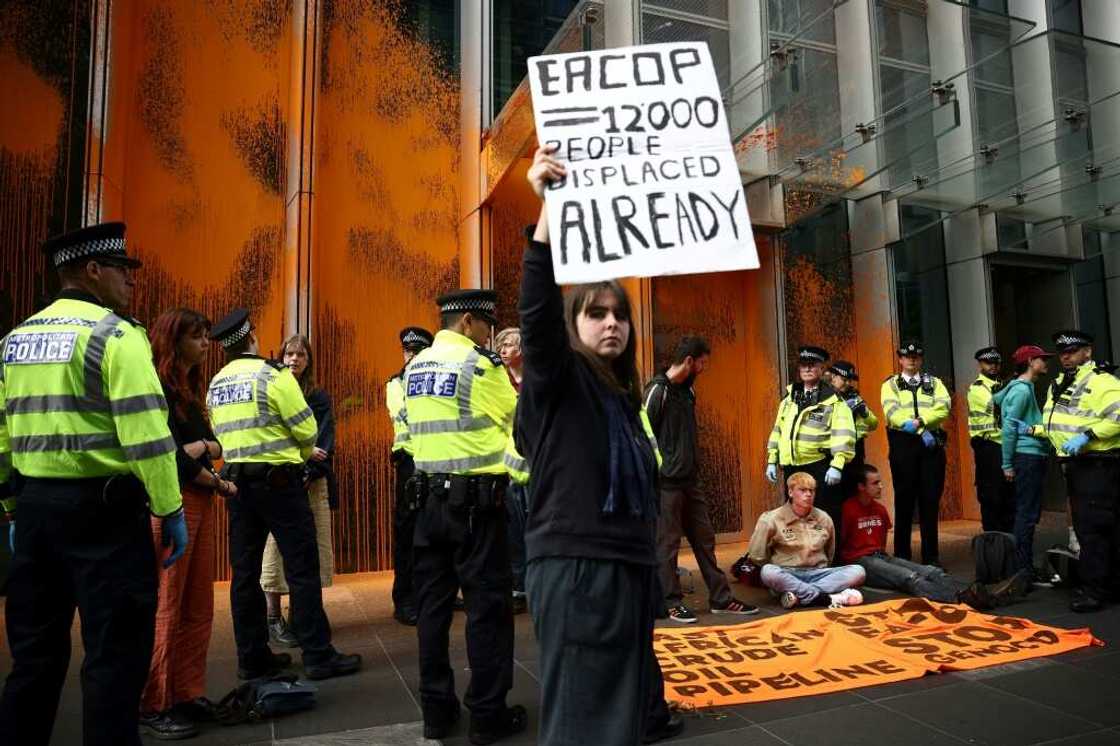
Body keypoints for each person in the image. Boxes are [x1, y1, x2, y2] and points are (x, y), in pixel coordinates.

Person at [0, 222, 187, 746]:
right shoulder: (116, 336)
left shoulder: (14, 342)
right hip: (104, 517)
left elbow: (1, 435)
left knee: (33, 660)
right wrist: (169, 509)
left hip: (35, 514)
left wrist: (14, 505)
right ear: (93, 271)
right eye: (123, 271)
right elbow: (148, 437)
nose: (130, 282)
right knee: (114, 659)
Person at [520, 145, 682, 746]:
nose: (611, 323)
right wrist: (544, 216)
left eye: (620, 314)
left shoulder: (622, 393)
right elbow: (536, 319)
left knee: (620, 719)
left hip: (626, 567)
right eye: (595, 314)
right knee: (585, 721)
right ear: (574, 325)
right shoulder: (560, 379)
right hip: (578, 567)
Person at [207, 308, 360, 680]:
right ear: (252, 338)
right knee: (302, 570)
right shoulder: (271, 375)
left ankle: (253, 658)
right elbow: (307, 430)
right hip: (279, 483)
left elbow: (219, 433)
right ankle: (317, 655)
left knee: (244, 574)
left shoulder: (217, 383)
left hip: (238, 485)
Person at [402, 288, 525, 744]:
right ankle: (487, 715)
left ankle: (437, 712)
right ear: (469, 321)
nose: (489, 337)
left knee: (432, 611)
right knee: (487, 610)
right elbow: (517, 418)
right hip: (476, 505)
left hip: (427, 503)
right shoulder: (480, 366)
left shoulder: (415, 367)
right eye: (487, 327)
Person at [140, 309, 235, 740]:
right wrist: (208, 465)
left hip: (199, 499)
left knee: (198, 606)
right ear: (173, 340)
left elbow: (209, 446)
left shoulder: (190, 390)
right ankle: (154, 701)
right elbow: (173, 457)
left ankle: (187, 691)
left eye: (205, 337)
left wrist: (203, 451)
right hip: (170, 504)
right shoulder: (157, 387)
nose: (205, 345)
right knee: (167, 607)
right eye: (197, 337)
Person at [644, 335, 758, 623]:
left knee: (705, 540)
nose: (705, 368)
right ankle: (671, 602)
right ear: (689, 361)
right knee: (667, 545)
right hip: (666, 483)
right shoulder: (658, 391)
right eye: (703, 363)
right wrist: (654, 476)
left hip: (690, 481)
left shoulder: (688, 392)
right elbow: (642, 436)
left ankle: (721, 599)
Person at [840, 464, 1028, 610]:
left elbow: (880, 539)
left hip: (880, 555)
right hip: (861, 561)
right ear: (861, 487)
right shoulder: (848, 509)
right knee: (910, 577)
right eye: (875, 483)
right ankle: (962, 597)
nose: (881, 486)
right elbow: (842, 543)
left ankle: (981, 591)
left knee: (932, 571)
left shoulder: (880, 509)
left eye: (880, 482)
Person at [1026, 330, 1120, 612]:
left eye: (1072, 351)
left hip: (1098, 464)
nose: (1065, 356)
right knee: (1094, 527)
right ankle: (1109, 585)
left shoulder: (1101, 381)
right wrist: (1036, 430)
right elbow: (1060, 422)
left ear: (1087, 352)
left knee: (1093, 530)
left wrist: (1088, 436)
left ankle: (1093, 591)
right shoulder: (1061, 382)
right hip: (1076, 465)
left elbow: (1117, 417)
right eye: (1062, 352)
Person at [260, 334, 338, 647]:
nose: (294, 360)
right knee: (275, 548)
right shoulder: (272, 389)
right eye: (289, 355)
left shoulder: (317, 396)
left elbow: (324, 442)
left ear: (308, 361)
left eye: (300, 355)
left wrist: (308, 469)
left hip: (312, 482)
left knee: (313, 547)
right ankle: (272, 616)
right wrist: (303, 457)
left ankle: (303, 614)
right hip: (280, 481)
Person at [765, 345, 856, 549]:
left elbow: (844, 433)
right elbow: (778, 429)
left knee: (824, 517)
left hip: (819, 467)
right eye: (803, 365)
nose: (807, 369)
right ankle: (801, 560)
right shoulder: (790, 397)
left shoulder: (832, 399)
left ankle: (832, 563)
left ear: (822, 368)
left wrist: (837, 464)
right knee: (795, 516)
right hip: (792, 467)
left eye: (812, 365)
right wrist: (772, 459)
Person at [747, 471, 865, 609]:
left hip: (818, 573)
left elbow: (830, 552)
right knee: (768, 572)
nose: (808, 494)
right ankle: (827, 597)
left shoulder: (823, 518)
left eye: (812, 491)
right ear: (790, 492)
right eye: (803, 490)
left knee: (858, 571)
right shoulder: (771, 519)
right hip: (787, 573)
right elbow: (757, 555)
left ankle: (800, 596)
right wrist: (782, 569)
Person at [880, 340, 951, 565]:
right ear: (900, 359)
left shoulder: (935, 383)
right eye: (907, 356)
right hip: (903, 444)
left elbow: (944, 408)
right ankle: (902, 556)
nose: (911, 360)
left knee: (930, 501)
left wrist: (922, 421)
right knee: (904, 501)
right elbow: (891, 411)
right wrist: (918, 427)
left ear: (921, 360)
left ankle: (932, 557)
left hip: (930, 448)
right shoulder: (890, 384)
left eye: (916, 357)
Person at [387, 326, 434, 626]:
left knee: (435, 529)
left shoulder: (434, 379)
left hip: (436, 459)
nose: (412, 356)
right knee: (407, 532)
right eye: (408, 351)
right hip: (409, 462)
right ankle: (404, 599)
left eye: (418, 351)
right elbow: (403, 414)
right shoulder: (397, 382)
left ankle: (432, 592)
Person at [996, 345, 1055, 579]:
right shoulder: (1021, 391)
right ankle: (1022, 569)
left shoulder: (1025, 388)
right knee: (1026, 514)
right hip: (1027, 457)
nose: (1046, 362)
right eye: (1042, 359)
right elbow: (1009, 429)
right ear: (1031, 361)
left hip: (1031, 455)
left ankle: (1024, 567)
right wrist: (1007, 463)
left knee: (1027, 512)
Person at [495, 326, 530, 615]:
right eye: (501, 345)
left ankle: (535, 582)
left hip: (532, 465)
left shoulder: (534, 381)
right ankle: (519, 585)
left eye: (508, 344)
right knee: (514, 529)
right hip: (506, 465)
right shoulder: (498, 381)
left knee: (532, 525)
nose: (503, 350)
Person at [968, 346, 1015, 533]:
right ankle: (992, 543)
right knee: (990, 497)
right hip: (987, 446)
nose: (993, 366)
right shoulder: (977, 388)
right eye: (988, 363)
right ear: (980, 364)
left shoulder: (1004, 384)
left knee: (1008, 496)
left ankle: (1008, 543)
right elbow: (996, 403)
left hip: (1005, 445)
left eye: (996, 363)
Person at [826, 360, 878, 495]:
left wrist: (864, 411)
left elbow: (874, 424)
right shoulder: (824, 396)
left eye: (850, 380)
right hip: (833, 450)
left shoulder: (854, 397)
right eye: (844, 379)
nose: (848, 383)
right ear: (833, 377)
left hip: (856, 451)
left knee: (853, 493)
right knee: (833, 494)